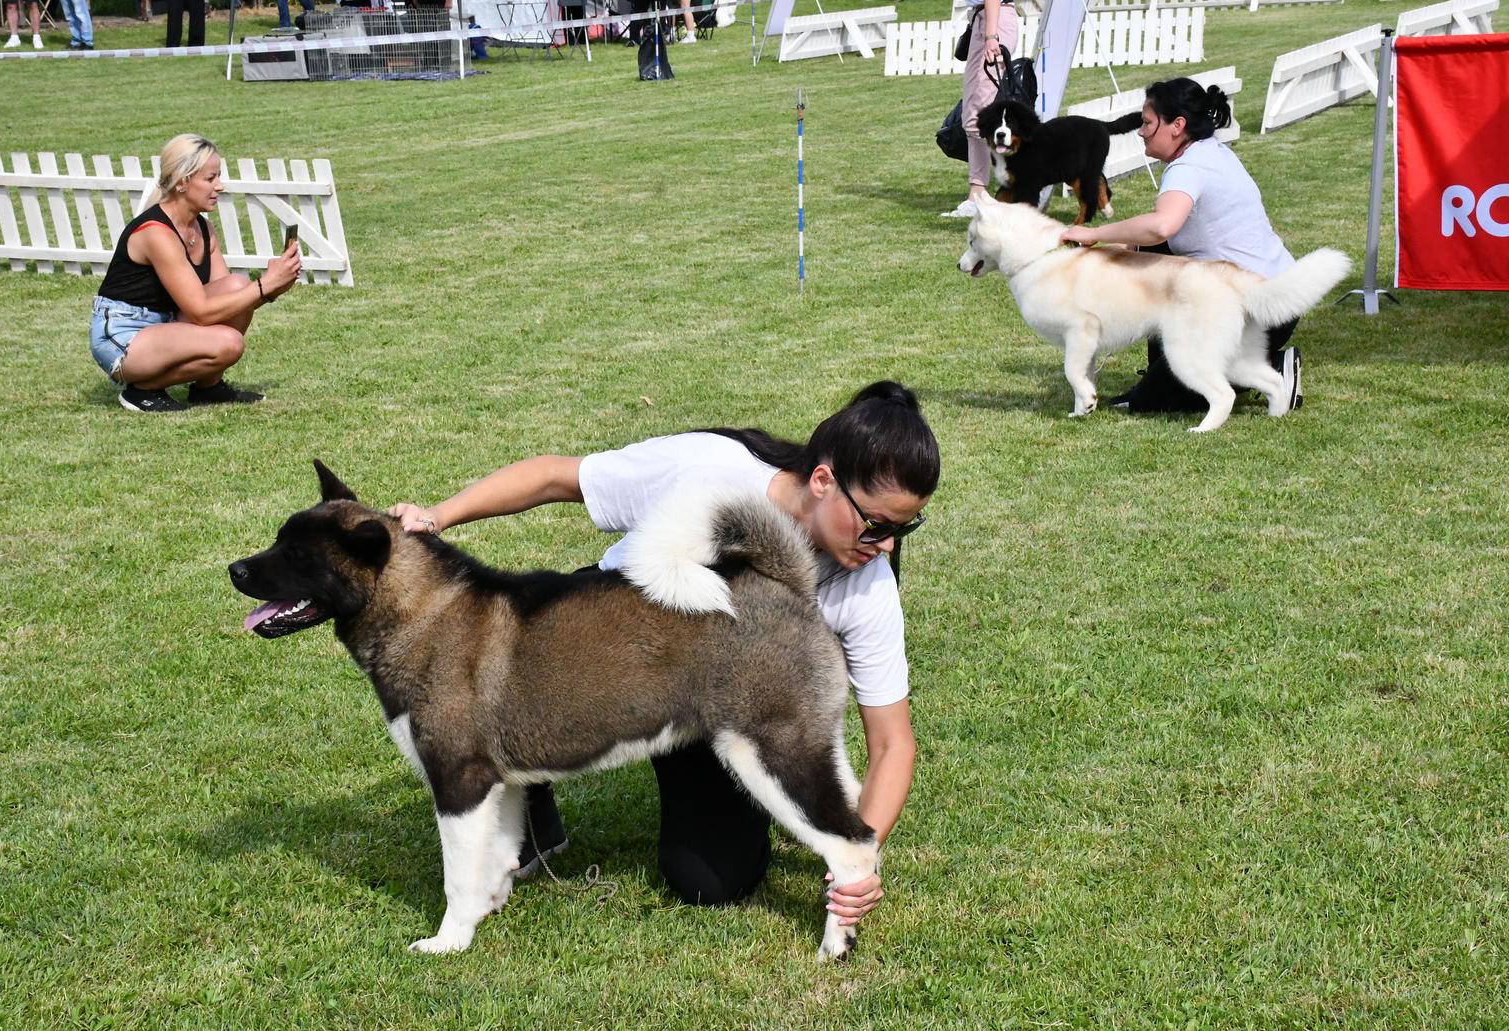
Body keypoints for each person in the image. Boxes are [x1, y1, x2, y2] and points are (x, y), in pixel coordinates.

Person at [388, 381, 940, 927]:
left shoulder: (867, 585)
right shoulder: (707, 468)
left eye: (903, 528)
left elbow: (892, 743)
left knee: (711, 880)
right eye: (876, 525)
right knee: (528, 685)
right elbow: (557, 477)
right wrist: (439, 516)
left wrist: (859, 860)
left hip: (722, 691)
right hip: (606, 641)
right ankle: (530, 801)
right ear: (822, 481)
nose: (887, 545)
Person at [1061, 78, 1304, 414]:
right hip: (1279, 296)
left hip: (1256, 311)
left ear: (1177, 126)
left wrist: (1095, 233)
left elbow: (1162, 225)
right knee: (1153, 261)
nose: (1140, 132)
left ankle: (1271, 367)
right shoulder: (1212, 152)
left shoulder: (1187, 168)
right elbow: (1163, 237)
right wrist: (1125, 244)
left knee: (1155, 402)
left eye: (1147, 123)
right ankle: (1168, 372)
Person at [89, 134, 301, 413]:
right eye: (210, 178)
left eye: (219, 176)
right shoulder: (156, 233)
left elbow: (231, 304)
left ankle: (208, 388)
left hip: (166, 323)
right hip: (125, 334)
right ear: (182, 182)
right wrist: (264, 285)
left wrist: (272, 289)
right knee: (229, 343)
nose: (220, 186)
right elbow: (201, 313)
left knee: (237, 285)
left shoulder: (203, 228)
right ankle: (141, 391)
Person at [943, 0, 1018, 219]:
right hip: (984, 20)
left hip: (991, 22)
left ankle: (980, 194)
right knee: (976, 113)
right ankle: (979, 192)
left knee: (978, 114)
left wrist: (991, 36)